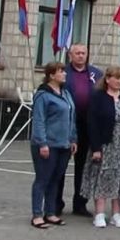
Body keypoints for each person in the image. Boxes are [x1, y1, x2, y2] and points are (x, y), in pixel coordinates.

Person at [82, 66, 120, 228]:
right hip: (106, 144)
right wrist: (96, 148)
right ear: (107, 79)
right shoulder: (98, 97)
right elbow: (92, 123)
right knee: (102, 176)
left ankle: (117, 214)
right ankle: (100, 213)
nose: (119, 81)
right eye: (116, 78)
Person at [55, 43, 102, 217]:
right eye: (77, 53)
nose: (81, 56)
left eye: (83, 53)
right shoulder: (63, 73)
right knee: (60, 166)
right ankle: (56, 203)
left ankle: (80, 204)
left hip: (88, 126)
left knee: (84, 167)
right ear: (70, 55)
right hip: (66, 124)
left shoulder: (96, 74)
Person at [29, 62, 77, 229]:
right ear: (51, 75)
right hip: (47, 144)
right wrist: (42, 143)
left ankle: (50, 212)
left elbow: (72, 117)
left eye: (64, 71)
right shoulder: (43, 95)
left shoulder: (66, 93)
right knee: (43, 179)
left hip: (64, 144)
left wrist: (73, 139)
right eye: (61, 72)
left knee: (56, 179)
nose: (64, 74)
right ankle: (36, 214)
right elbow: (39, 120)